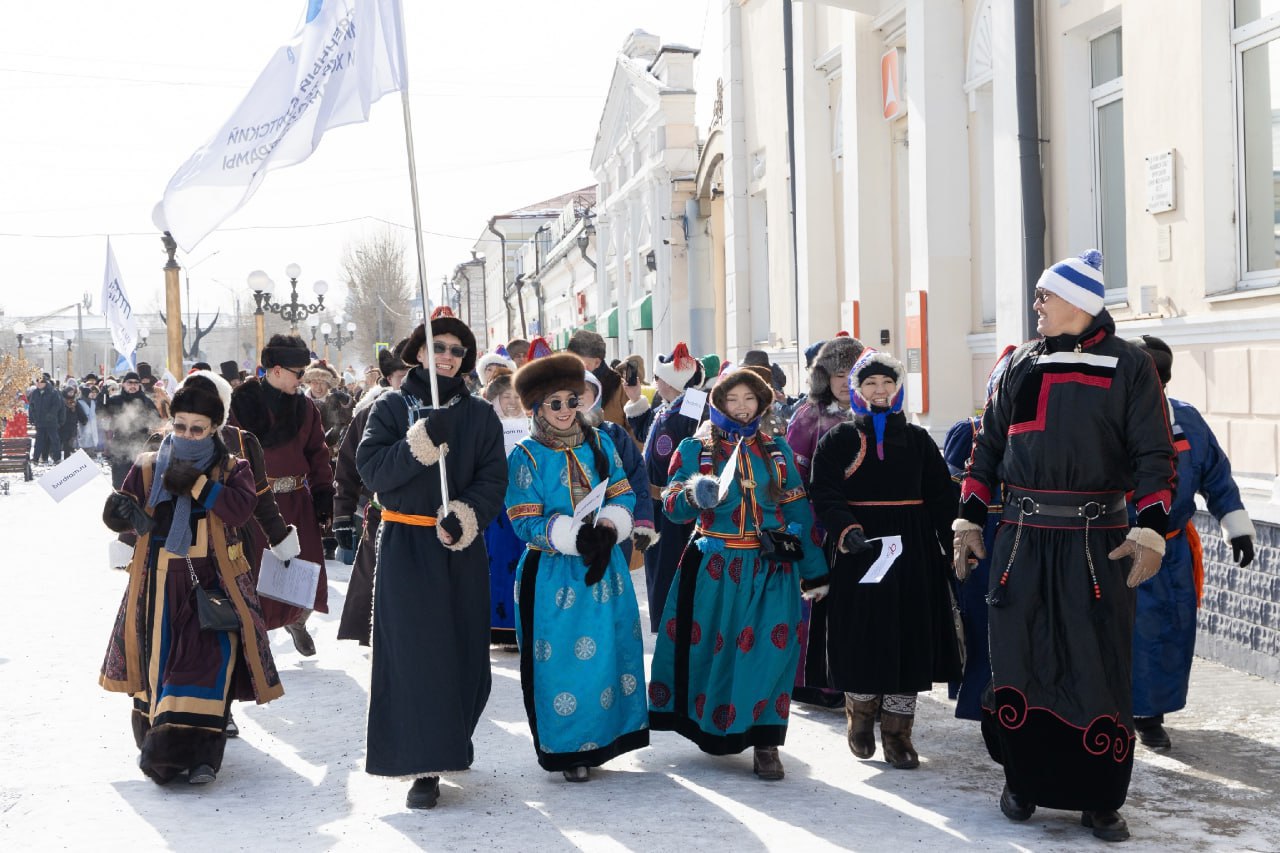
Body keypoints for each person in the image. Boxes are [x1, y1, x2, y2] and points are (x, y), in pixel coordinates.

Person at [952, 250, 1177, 842]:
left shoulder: (1130, 365)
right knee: (1019, 658)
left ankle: (1100, 799)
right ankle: (1022, 782)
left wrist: (1151, 529)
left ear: (1077, 302)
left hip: (1096, 544)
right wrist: (968, 520)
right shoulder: (1021, 361)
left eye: (1044, 296)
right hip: (1021, 541)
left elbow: (1155, 454)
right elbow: (986, 446)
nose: (1036, 305)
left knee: (1095, 663)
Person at [99, 373, 283, 785]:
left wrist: (198, 485)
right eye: (180, 425)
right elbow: (129, 511)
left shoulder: (232, 467)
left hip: (212, 585)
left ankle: (198, 756)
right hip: (158, 584)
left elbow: (240, 510)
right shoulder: (148, 465)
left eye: (197, 429)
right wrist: (118, 513)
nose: (186, 434)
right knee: (159, 669)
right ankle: (160, 748)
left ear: (215, 428)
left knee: (204, 667)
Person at [356, 308, 507, 809]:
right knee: (417, 655)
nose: (447, 356)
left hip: (459, 547)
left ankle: (452, 738)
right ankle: (424, 764)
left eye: (456, 350)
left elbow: (493, 479)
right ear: (419, 352)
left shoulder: (481, 415)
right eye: (437, 347)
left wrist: (465, 516)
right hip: (406, 545)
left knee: (464, 652)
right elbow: (373, 471)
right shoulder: (390, 407)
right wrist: (419, 443)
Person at [648, 368, 828, 780]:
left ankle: (766, 743)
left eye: (750, 398)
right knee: (714, 653)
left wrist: (814, 571)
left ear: (762, 403)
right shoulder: (694, 449)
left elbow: (798, 510)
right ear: (719, 403)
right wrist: (695, 493)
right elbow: (672, 505)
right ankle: (710, 726)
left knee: (770, 654)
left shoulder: (777, 451)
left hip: (770, 570)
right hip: (713, 570)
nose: (743, 407)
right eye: (733, 399)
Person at [809, 350, 962, 769]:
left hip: (912, 551)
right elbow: (824, 491)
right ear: (857, 390)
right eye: (870, 383)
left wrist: (952, 542)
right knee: (863, 633)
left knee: (908, 635)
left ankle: (898, 733)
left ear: (897, 388)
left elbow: (940, 496)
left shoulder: (918, 440)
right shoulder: (838, 440)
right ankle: (860, 715)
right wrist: (846, 529)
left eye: (887, 383)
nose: (879, 390)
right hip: (861, 549)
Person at [506, 352, 649, 782]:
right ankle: (570, 750)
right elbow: (523, 519)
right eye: (556, 403)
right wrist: (571, 535)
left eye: (573, 400)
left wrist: (609, 526)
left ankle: (605, 738)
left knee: (608, 656)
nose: (567, 409)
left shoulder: (601, 442)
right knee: (563, 666)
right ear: (536, 408)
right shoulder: (526, 455)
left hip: (606, 568)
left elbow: (623, 492)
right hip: (554, 576)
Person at [1128, 336, 1255, 751]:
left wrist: (1236, 525)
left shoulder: (1188, 420)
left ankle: (1151, 713)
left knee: (1172, 632)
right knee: (1130, 634)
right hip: (1122, 551)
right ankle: (1127, 712)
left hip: (1173, 551)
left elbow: (1216, 475)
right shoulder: (1106, 420)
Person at [228, 334, 335, 655]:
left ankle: (297, 620)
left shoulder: (305, 407)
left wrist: (323, 494)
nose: (303, 380)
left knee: (306, 568)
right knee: (257, 571)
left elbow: (317, 453)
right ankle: (254, 634)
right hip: (256, 503)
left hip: (297, 500)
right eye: (299, 373)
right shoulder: (240, 404)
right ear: (276, 370)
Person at [784, 335, 864, 710]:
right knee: (819, 603)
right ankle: (816, 682)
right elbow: (791, 476)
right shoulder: (808, 417)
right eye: (838, 374)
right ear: (824, 378)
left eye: (852, 374)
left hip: (864, 524)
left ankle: (859, 679)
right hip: (819, 526)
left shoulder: (875, 415)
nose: (845, 382)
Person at [334, 340, 409, 646]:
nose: (411, 382)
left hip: (433, 520)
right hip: (384, 516)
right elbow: (347, 466)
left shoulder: (445, 412)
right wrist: (342, 515)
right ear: (389, 379)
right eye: (403, 376)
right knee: (377, 586)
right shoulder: (370, 414)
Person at [639, 342, 706, 631]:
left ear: (671, 381)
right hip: (660, 504)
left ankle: (675, 627)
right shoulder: (670, 408)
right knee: (660, 568)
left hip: (676, 506)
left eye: (658, 378)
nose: (655, 383)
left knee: (671, 569)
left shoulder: (690, 409)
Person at [582, 370, 657, 565]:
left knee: (613, 574)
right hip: (569, 528)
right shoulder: (551, 438)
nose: (577, 397)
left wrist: (642, 520)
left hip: (613, 524)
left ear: (596, 395)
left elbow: (636, 476)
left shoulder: (613, 434)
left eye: (583, 391)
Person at [103, 371, 163, 487]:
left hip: (141, 444)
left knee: (140, 481)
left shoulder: (146, 400)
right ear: (123, 384)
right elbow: (101, 412)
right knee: (120, 480)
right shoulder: (115, 400)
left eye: (136, 383)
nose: (133, 385)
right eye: (129, 382)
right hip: (120, 445)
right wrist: (102, 396)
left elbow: (157, 420)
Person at [28, 374, 64, 464]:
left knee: (54, 440)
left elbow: (57, 405)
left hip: (51, 421)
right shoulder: (35, 393)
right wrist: (32, 417)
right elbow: (31, 406)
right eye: (38, 382)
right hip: (39, 421)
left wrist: (51, 415)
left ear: (45, 383)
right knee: (39, 441)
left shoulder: (53, 392)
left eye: (41, 382)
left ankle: (57, 458)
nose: (39, 384)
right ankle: (35, 458)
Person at [57, 385, 86, 459]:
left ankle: (67, 458)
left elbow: (80, 411)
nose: (71, 394)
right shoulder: (61, 401)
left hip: (72, 425)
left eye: (72, 392)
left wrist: (84, 419)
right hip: (62, 425)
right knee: (59, 443)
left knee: (69, 443)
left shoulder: (75, 402)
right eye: (69, 392)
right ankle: (57, 458)